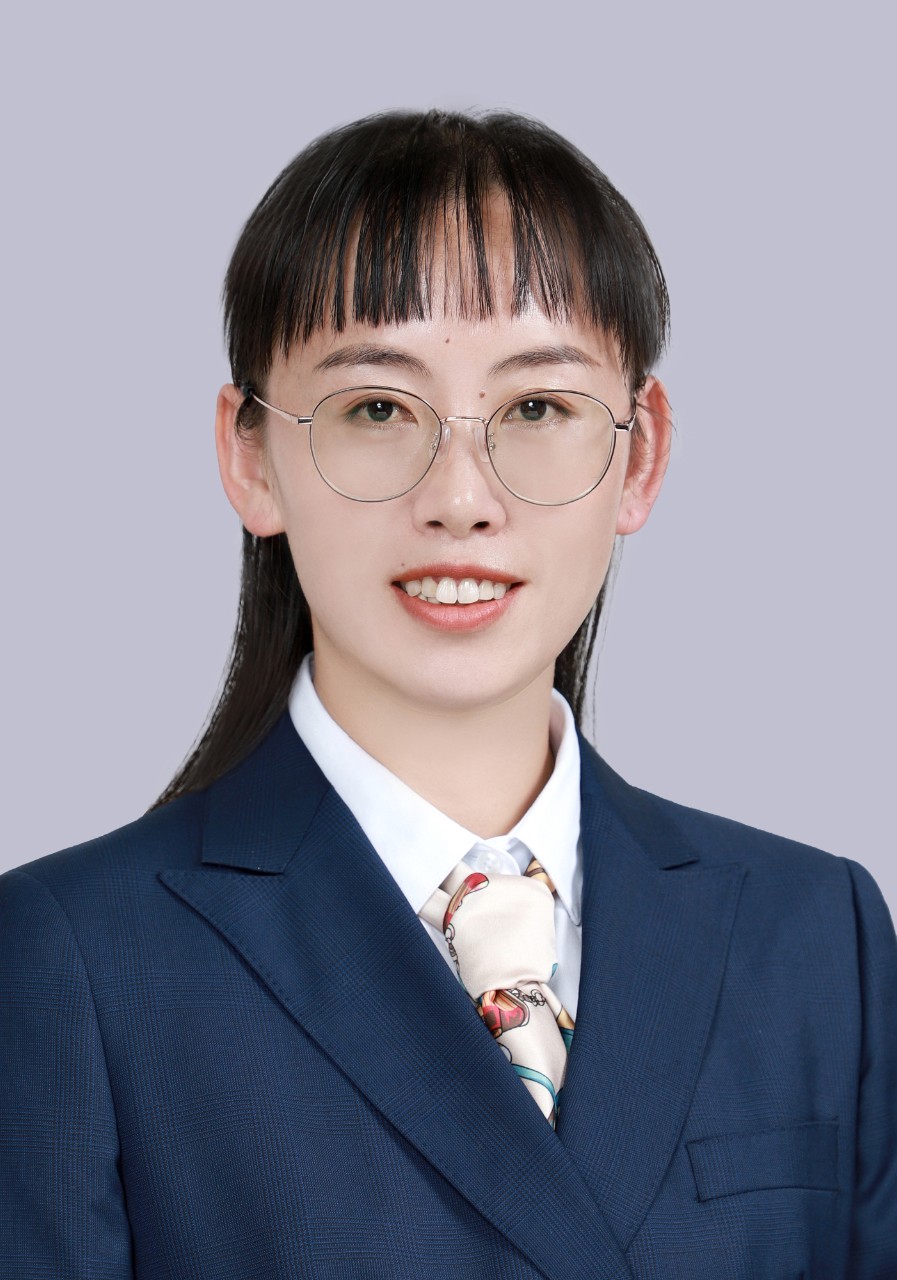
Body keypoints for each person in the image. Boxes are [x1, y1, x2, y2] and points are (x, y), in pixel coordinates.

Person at [1, 109, 894, 1280]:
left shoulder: (817, 937)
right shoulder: (72, 961)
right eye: (377, 409)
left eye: (537, 408)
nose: (462, 498)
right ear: (251, 457)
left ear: (639, 454)